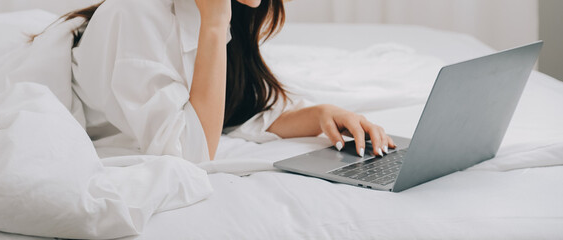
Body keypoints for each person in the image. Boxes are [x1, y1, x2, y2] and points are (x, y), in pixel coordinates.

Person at [38, 0, 396, 162]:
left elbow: (237, 107)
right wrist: (213, 22)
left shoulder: (231, 11)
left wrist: (321, 114)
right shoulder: (134, 15)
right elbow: (191, 152)